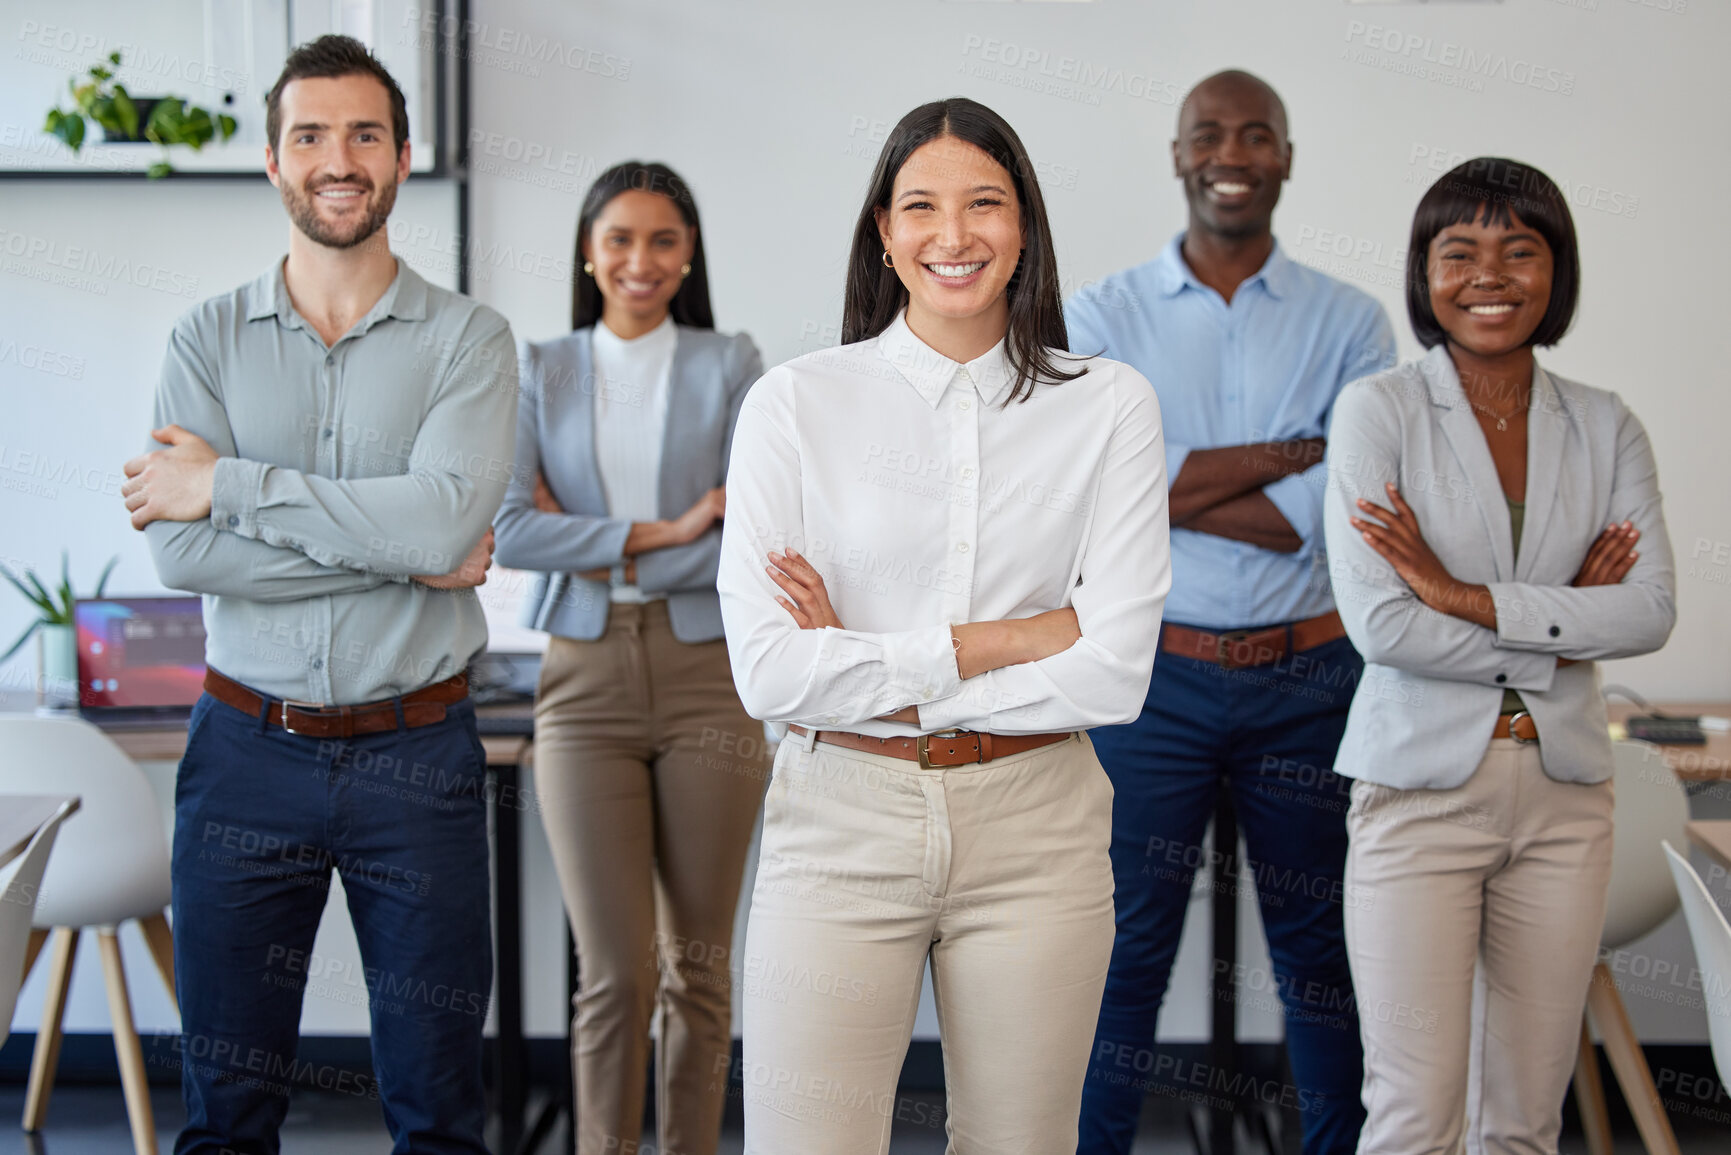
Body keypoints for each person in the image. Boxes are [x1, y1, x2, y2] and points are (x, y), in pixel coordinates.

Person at [716, 96, 1170, 1153]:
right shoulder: (796, 405)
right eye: (921, 206)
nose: (953, 236)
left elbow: (1115, 675)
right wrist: (1009, 637)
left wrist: (861, 658)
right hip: (840, 817)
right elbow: (772, 678)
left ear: (1025, 228)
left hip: (1038, 823)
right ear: (884, 231)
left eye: (985, 205)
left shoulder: (1109, 406)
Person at [120, 35, 514, 1155]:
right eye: (310, 135)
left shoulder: (470, 341)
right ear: (273, 161)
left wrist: (228, 487)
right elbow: (182, 559)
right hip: (245, 753)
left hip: (419, 753)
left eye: (363, 134)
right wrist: (405, 547)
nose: (337, 158)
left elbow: (444, 524)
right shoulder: (203, 338)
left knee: (439, 1113)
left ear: (400, 156)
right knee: (227, 1117)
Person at [1064, 70, 1394, 1154]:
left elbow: (1331, 511)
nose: (1234, 152)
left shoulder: (1353, 323)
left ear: (1287, 157)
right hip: (1152, 681)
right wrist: (1289, 454)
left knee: (1321, 961)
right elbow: (1101, 489)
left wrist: (1182, 479)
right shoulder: (1104, 313)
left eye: (1259, 135)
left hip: (1312, 679)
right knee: (1124, 956)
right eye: (1210, 134)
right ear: (1177, 154)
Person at [1323, 157, 1674, 1154]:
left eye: (1521, 250)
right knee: (1412, 1114)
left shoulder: (1605, 424)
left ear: (1556, 270)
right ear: (1423, 272)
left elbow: (1648, 611)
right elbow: (1383, 628)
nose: (1491, 274)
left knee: (1524, 1118)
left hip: (1566, 799)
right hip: (1419, 792)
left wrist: (1458, 593)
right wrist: (1563, 623)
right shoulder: (1378, 412)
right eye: (1460, 251)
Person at [491, 160, 766, 1155]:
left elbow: (751, 536)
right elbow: (511, 530)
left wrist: (601, 530)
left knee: (697, 963)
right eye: (620, 239)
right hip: (583, 676)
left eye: (663, 241)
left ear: (688, 255)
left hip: (710, 675)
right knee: (613, 969)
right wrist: (668, 526)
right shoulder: (542, 366)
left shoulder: (730, 361)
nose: (640, 262)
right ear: (587, 250)